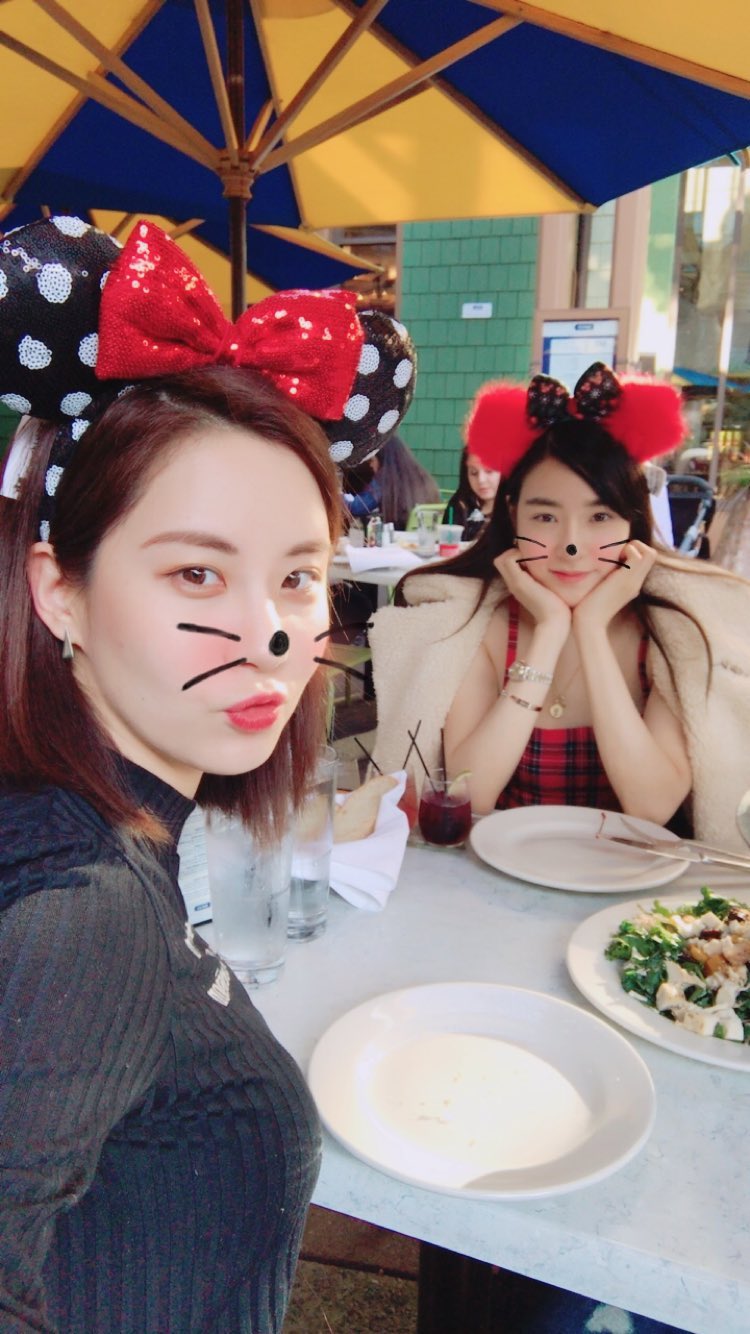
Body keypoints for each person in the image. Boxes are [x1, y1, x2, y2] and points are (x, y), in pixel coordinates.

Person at [0, 216, 415, 1331]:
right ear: (59, 590)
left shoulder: (98, 827)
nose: (271, 633)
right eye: (196, 572)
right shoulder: (83, 914)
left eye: (299, 577)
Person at [371, 363, 750, 850]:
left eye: (600, 516)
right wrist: (549, 632)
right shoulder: (475, 623)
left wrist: (590, 629)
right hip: (498, 878)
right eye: (546, 516)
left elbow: (651, 806)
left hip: (631, 885)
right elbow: (471, 793)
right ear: (513, 515)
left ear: (632, 523)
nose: (571, 545)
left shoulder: (670, 633)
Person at [342, 433, 439, 529]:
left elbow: (358, 507)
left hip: (396, 535)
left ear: (382, 459)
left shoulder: (383, 482)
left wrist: (338, 496)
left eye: (372, 460)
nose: (371, 465)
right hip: (420, 535)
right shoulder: (422, 478)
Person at [442, 445, 501, 540]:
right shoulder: (459, 504)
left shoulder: (514, 509)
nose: (481, 480)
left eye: (489, 471)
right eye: (473, 472)